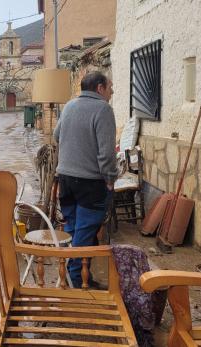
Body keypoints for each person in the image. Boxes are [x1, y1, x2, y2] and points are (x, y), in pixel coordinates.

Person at [53, 71, 118, 288]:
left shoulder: (70, 106)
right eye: (110, 86)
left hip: (66, 180)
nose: (112, 91)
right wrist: (110, 179)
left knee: (74, 229)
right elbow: (107, 153)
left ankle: (83, 276)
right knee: (84, 232)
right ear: (99, 88)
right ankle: (74, 279)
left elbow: (56, 136)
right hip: (91, 183)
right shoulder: (103, 109)